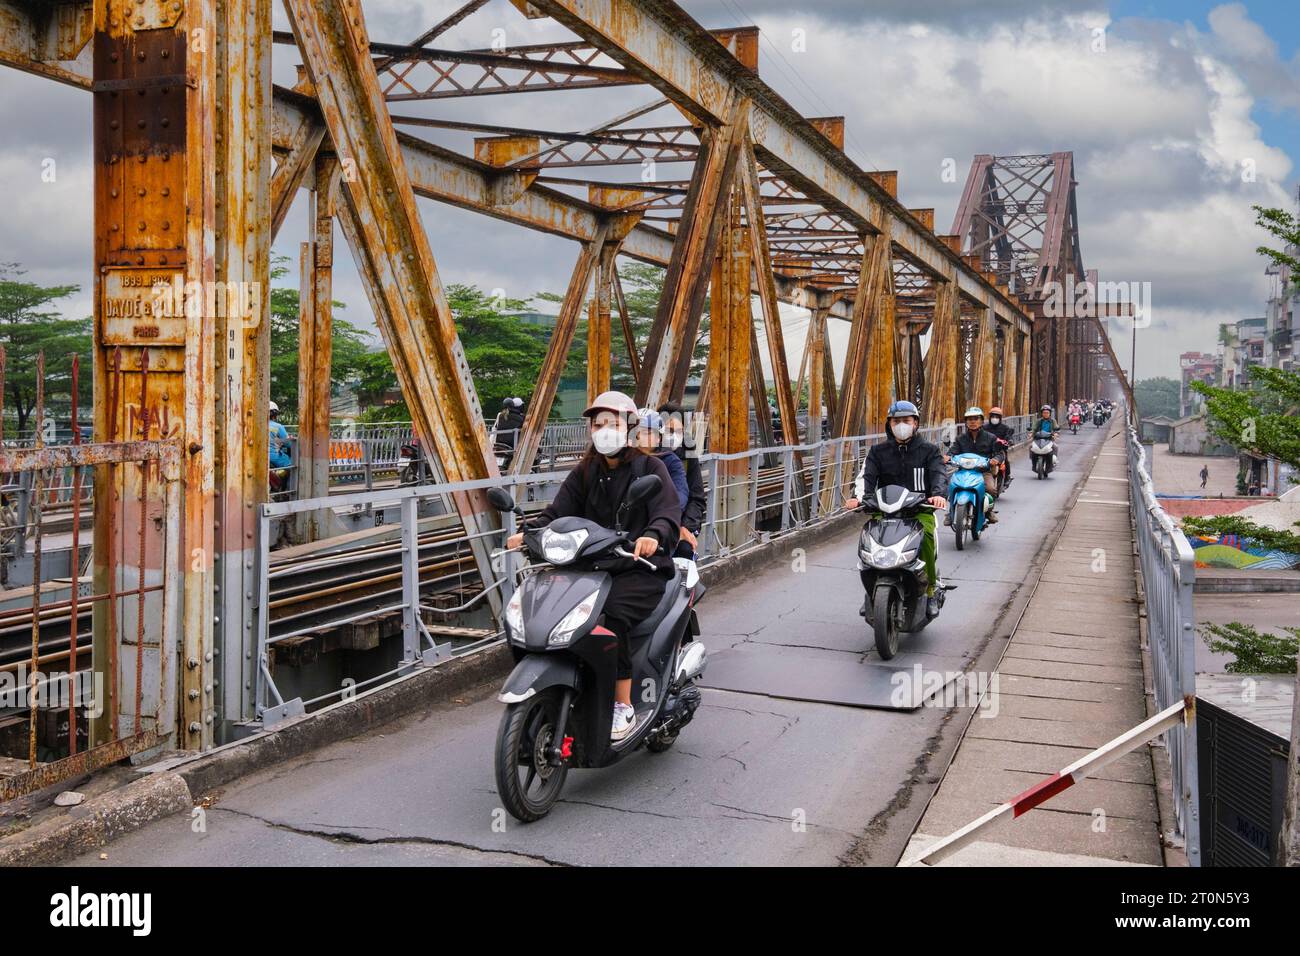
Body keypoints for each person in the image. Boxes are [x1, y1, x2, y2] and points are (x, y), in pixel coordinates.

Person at [505, 390, 680, 742]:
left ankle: (622, 704)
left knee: (607, 620)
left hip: (638, 567)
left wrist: (652, 535)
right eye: (598, 424)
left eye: (612, 423)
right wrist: (529, 534)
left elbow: (666, 513)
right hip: (591, 567)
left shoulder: (651, 468)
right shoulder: (586, 470)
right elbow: (558, 512)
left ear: (630, 427)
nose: (604, 430)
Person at [843, 400, 947, 617]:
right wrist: (858, 498)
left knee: (926, 536)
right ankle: (871, 593)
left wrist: (937, 495)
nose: (901, 425)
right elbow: (866, 478)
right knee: (867, 541)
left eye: (906, 420)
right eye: (896, 421)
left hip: (919, 511)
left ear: (915, 423)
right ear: (889, 425)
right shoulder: (878, 452)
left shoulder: (929, 451)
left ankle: (931, 590)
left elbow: (939, 474)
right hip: (885, 511)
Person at [658, 401, 706, 558]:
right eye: (669, 431)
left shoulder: (687, 456)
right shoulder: (646, 456)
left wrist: (685, 526)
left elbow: (697, 498)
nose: (674, 436)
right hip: (654, 525)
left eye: (678, 431)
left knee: (685, 551)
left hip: (681, 524)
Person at [945, 406, 1003, 524]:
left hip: (983, 472)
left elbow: (1000, 454)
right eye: (969, 419)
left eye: (976, 419)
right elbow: (953, 451)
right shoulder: (961, 438)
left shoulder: (991, 438)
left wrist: (995, 459)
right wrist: (947, 457)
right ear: (966, 422)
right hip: (963, 471)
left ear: (981, 421)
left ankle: (989, 511)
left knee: (991, 489)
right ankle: (950, 512)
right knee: (951, 486)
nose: (972, 422)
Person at [633, 407, 689, 512]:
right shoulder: (624, 458)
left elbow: (680, 494)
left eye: (647, 432)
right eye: (636, 432)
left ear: (659, 438)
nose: (640, 437)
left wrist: (665, 514)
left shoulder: (670, 461)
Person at [985, 405, 1014, 484]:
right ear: (990, 417)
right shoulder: (984, 427)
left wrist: (1010, 441)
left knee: (1006, 461)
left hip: (1000, 450)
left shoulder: (1005, 428)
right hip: (986, 450)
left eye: (997, 417)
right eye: (993, 416)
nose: (995, 418)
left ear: (1000, 418)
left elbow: (1009, 436)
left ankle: (1007, 477)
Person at [268, 401, 292, 469]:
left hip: (257, 455)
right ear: (274, 414)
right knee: (290, 464)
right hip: (273, 456)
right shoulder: (278, 426)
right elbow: (288, 444)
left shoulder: (255, 426)